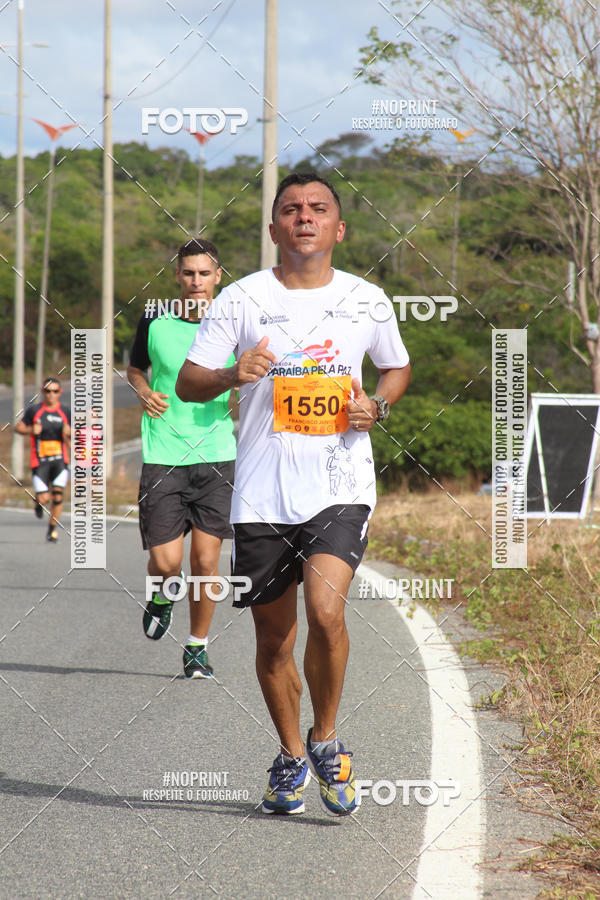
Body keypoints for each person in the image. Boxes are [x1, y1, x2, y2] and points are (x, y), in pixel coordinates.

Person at [176, 173, 411, 816]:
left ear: (339, 228)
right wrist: (231, 372)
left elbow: (396, 366)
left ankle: (326, 741)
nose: (304, 217)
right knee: (273, 639)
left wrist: (378, 406)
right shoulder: (241, 299)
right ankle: (288, 755)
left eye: (318, 209)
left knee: (327, 613)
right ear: (274, 227)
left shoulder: (367, 299)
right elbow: (190, 382)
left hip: (340, 485)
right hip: (260, 495)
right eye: (290, 210)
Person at [127, 238, 236, 679]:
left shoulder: (233, 323)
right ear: (177, 275)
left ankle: (197, 647)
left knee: (206, 563)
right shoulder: (153, 319)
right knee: (168, 563)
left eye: (204, 273)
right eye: (188, 273)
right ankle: (160, 595)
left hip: (217, 454)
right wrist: (142, 390)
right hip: (164, 454)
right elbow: (135, 367)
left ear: (217, 276)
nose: (196, 281)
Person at [14, 376, 71, 543]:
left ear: (59, 393)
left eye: (54, 391)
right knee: (44, 498)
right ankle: (38, 503)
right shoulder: (34, 411)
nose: (51, 394)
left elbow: (74, 437)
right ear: (42, 392)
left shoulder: (66, 412)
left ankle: (52, 530)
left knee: (58, 496)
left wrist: (70, 432)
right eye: (47, 391)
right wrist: (31, 429)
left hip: (60, 460)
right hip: (40, 460)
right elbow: (19, 427)